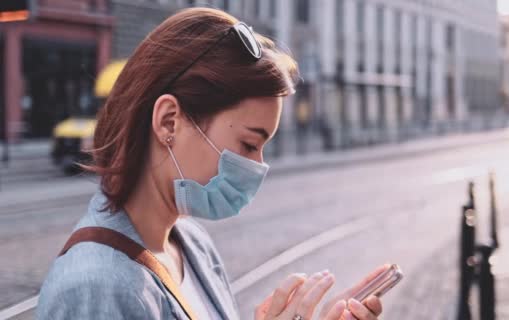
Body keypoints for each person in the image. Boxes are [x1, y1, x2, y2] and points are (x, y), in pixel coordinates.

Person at [37, 7, 389, 320]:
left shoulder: (190, 241)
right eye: (249, 144)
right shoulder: (95, 288)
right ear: (169, 122)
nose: (258, 165)